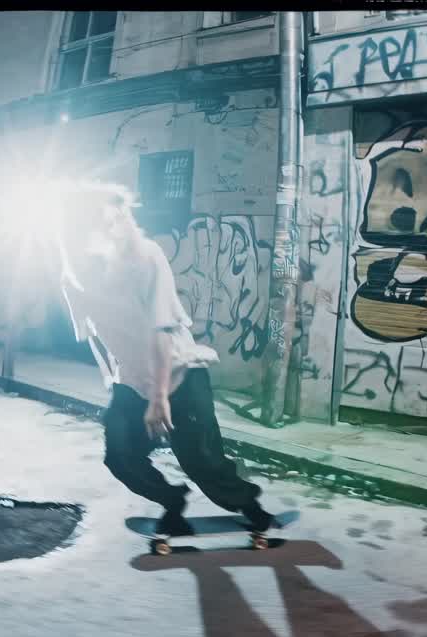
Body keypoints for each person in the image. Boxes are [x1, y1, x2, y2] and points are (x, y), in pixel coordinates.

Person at [54, 182, 276, 535]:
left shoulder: (146, 258)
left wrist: (159, 399)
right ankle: (173, 501)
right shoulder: (73, 278)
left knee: (200, 460)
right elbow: (93, 337)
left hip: (180, 375)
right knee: (121, 456)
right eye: (104, 222)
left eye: (119, 219)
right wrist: (115, 383)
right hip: (131, 381)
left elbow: (161, 331)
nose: (116, 228)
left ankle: (249, 505)